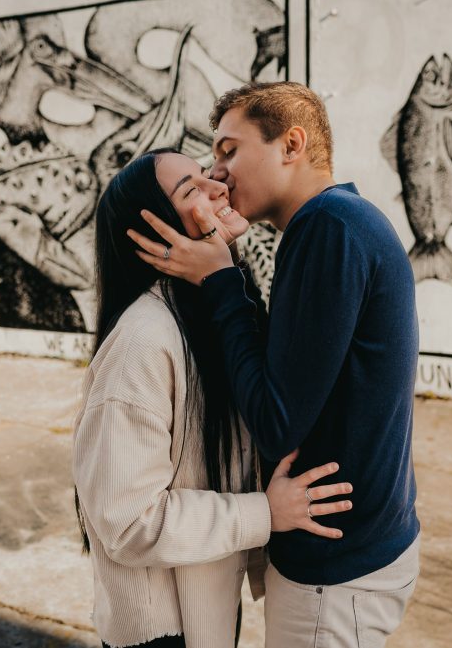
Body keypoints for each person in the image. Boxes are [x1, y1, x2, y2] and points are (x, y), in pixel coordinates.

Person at [129, 82, 421, 647]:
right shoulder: (340, 223)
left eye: (229, 150)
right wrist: (230, 266)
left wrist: (220, 281)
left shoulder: (327, 228)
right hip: (360, 550)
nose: (217, 174)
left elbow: (274, 418)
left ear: (291, 144)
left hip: (335, 574)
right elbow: (291, 367)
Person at [71, 148, 355, 648]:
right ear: (157, 231)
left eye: (207, 174)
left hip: (206, 612)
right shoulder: (142, 342)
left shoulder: (208, 313)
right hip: (160, 632)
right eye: (191, 190)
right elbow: (127, 520)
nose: (218, 187)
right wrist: (265, 513)